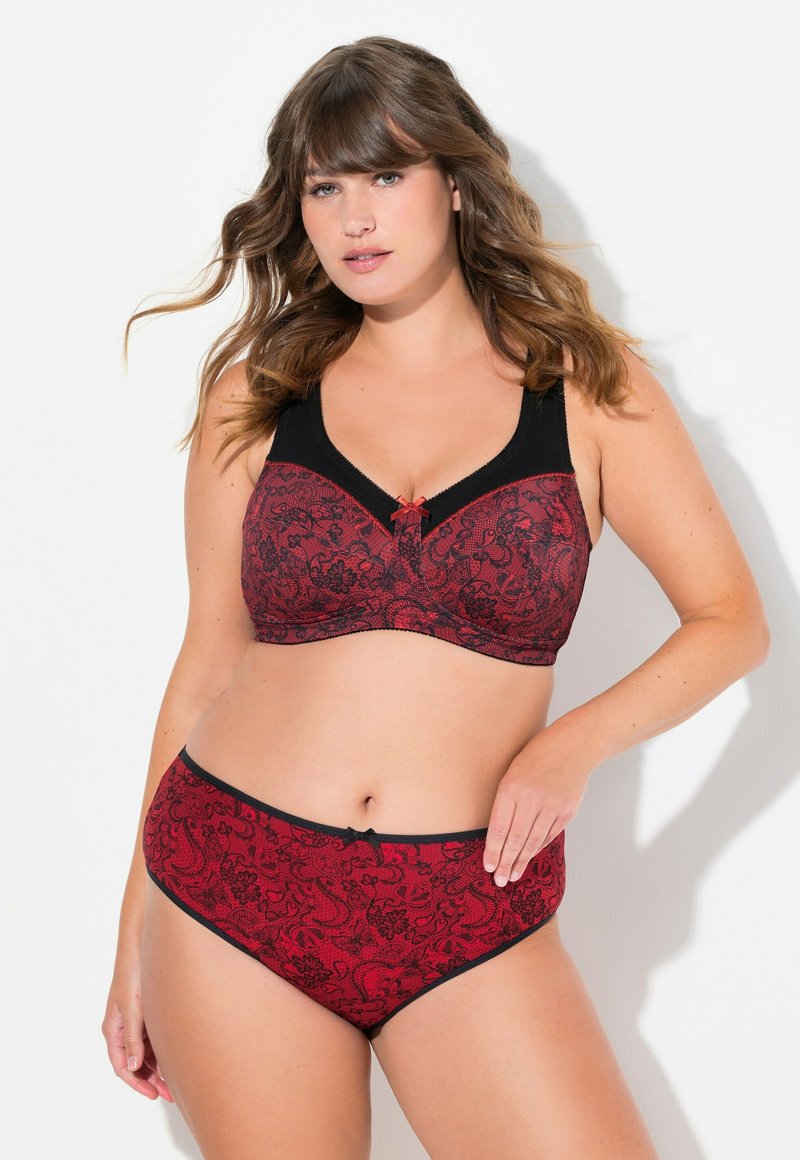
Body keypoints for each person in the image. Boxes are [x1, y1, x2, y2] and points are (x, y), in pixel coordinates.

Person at [102, 34, 769, 1160]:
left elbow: (731, 620)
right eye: (323, 187)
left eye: (385, 173)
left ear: (455, 183)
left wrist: (570, 746)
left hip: (467, 901)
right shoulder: (257, 398)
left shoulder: (589, 390)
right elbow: (206, 662)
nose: (355, 216)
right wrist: (133, 940)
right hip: (231, 886)